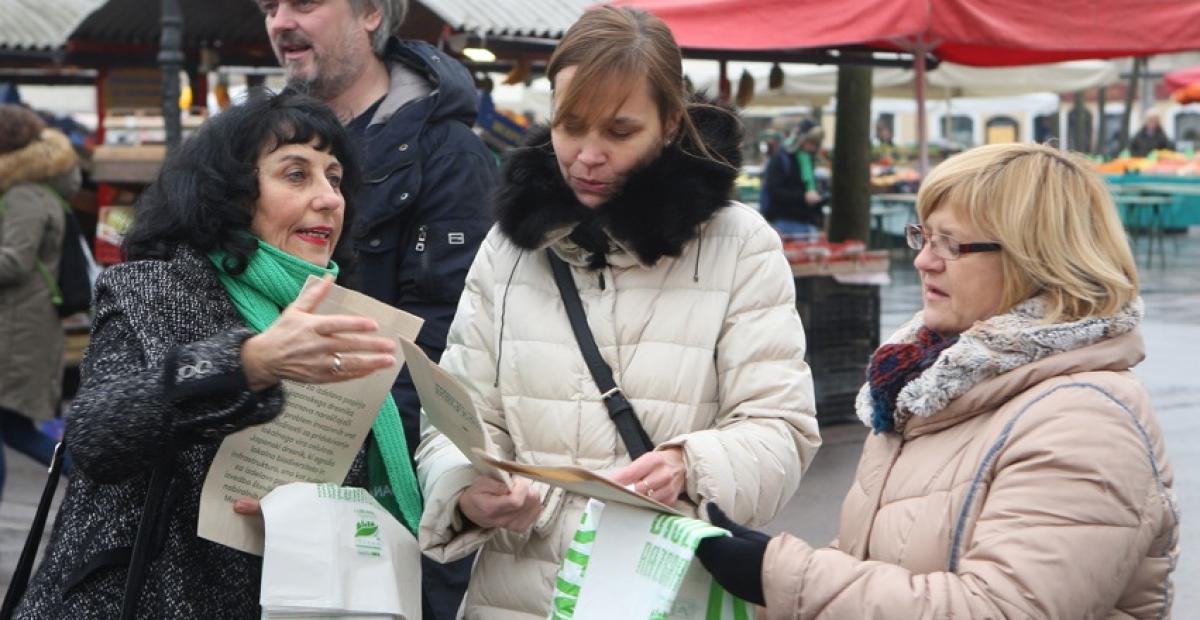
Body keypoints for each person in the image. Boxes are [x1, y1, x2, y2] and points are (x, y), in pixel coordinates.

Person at [415, 7, 821, 619]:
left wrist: (693, 465)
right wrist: (468, 491)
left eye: (620, 131)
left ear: (668, 125)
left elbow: (781, 427)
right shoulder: (509, 247)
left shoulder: (740, 245)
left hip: (664, 594)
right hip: (514, 602)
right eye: (570, 125)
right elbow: (457, 419)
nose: (587, 155)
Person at [695, 143, 1180, 619]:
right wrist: (778, 584)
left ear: (1036, 260)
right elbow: (879, 562)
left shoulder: (1084, 423)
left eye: (952, 244)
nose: (924, 261)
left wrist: (786, 579)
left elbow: (1002, 609)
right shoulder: (926, 386)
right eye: (924, 238)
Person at [13, 91, 417, 618]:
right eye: (297, 175)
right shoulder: (153, 289)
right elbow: (96, 434)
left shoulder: (334, 316)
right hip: (148, 599)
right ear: (230, 193)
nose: (329, 199)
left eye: (334, 178)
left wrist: (460, 498)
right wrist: (247, 364)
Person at [258, 2, 497, 613]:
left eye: (304, 3)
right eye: (269, 6)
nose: (281, 21)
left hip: (388, 498)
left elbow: (442, 353)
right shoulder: (246, 140)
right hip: (263, 487)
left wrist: (330, 463)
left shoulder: (448, 155)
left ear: (370, 12)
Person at [0, 105, 77, 500]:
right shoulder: (27, 188)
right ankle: (89, 482)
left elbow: (14, 262)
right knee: (12, 429)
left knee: (15, 431)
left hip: (16, 333)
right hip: (18, 326)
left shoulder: (24, 194)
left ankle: (88, 482)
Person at [762, 119, 826, 234]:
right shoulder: (781, 159)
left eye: (816, 144)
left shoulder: (808, 159)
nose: (813, 148)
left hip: (807, 221)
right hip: (784, 221)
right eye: (810, 142)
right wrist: (803, 197)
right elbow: (775, 191)